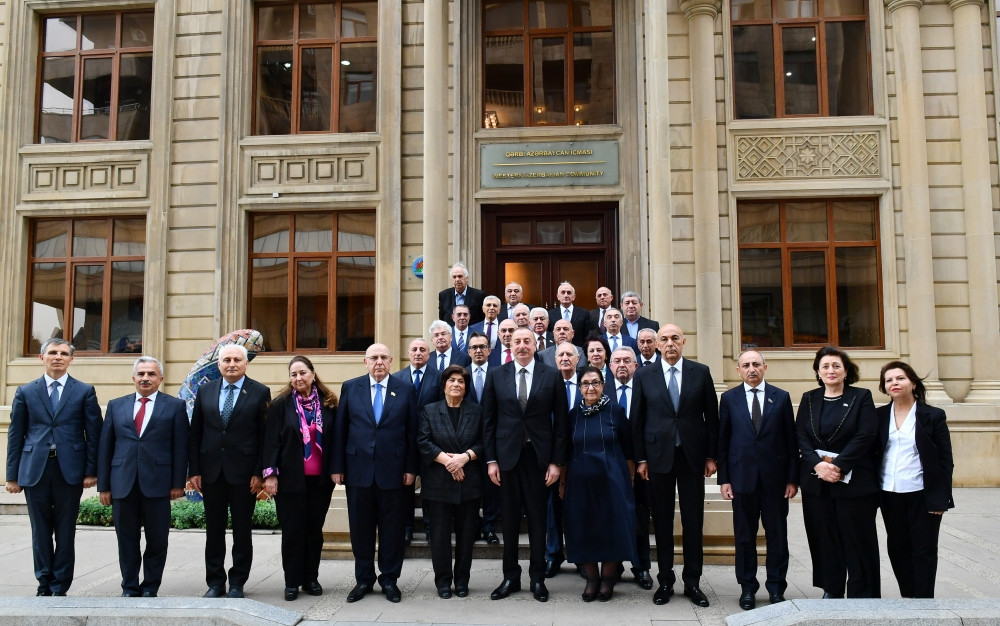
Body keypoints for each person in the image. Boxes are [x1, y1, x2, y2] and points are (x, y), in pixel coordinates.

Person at [5, 338, 103, 596]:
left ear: (71, 359)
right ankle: (43, 582)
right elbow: (16, 436)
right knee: (40, 531)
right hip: (34, 470)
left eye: (63, 353)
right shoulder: (25, 392)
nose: (57, 357)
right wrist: (11, 476)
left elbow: (94, 435)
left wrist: (92, 471)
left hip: (69, 470)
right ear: (42, 357)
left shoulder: (84, 391)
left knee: (65, 529)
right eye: (52, 353)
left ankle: (60, 585)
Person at [631, 324, 719, 607]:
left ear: (684, 342)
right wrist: (641, 459)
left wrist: (711, 456)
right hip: (658, 459)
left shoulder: (700, 372)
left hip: (692, 457)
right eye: (664, 339)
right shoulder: (644, 375)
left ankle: (692, 582)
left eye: (675, 339)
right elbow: (637, 420)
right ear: (657, 345)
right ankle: (665, 581)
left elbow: (712, 419)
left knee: (693, 521)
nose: (670, 343)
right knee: (664, 521)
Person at [483, 327, 570, 602]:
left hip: (538, 459)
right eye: (517, 341)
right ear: (510, 344)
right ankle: (510, 576)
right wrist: (491, 460)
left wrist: (556, 462)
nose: (522, 345)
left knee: (537, 520)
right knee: (508, 521)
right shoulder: (497, 374)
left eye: (527, 341)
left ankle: (537, 578)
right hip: (506, 459)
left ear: (535, 345)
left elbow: (562, 425)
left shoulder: (551, 375)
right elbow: (488, 421)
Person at [331, 344, 418, 604]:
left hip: (394, 471)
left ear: (391, 361)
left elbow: (412, 432)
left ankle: (389, 579)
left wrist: (411, 468)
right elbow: (340, 429)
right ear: (364, 361)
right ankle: (364, 579)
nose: (379, 362)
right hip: (358, 471)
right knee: (361, 529)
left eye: (383, 358)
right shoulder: (351, 387)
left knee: (392, 529)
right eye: (373, 358)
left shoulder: (405, 388)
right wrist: (337, 467)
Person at [97, 356, 188, 598]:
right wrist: (104, 486)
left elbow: (181, 447)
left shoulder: (175, 406)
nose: (145, 378)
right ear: (133, 378)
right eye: (141, 374)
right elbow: (105, 447)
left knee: (157, 541)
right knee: (126, 540)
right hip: (122, 483)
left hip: (158, 484)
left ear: (161, 378)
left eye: (151, 374)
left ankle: (150, 586)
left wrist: (178, 483)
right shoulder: (116, 405)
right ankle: (129, 586)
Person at [189, 343, 272, 598]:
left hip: (245, 474)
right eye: (226, 360)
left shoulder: (259, 392)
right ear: (219, 364)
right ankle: (215, 582)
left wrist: (260, 472)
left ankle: (237, 582)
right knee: (213, 530)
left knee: (241, 530)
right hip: (211, 472)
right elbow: (196, 433)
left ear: (246, 364)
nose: (232, 364)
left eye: (237, 359)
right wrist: (194, 471)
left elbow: (264, 437)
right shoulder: (205, 391)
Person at [796, 346, 880, 599]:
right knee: (824, 537)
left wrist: (839, 466)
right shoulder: (809, 398)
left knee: (857, 538)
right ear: (818, 373)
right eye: (825, 366)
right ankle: (831, 588)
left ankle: (861, 592)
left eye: (836, 366)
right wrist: (817, 465)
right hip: (817, 483)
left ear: (846, 371)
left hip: (853, 483)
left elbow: (866, 434)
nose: (830, 370)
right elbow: (800, 434)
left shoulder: (861, 397)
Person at [718, 350, 797, 610]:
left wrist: (792, 479)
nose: (751, 369)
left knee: (777, 537)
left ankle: (776, 588)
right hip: (741, 481)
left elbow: (790, 441)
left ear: (765, 367)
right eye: (745, 365)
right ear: (738, 370)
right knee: (744, 537)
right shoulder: (729, 399)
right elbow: (724, 442)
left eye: (756, 364)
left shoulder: (781, 397)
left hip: (775, 483)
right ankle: (747, 588)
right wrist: (724, 479)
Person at [876, 360, 954, 598]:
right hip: (889, 492)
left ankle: (924, 600)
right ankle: (908, 598)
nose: (894, 383)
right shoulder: (878, 416)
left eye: (900, 378)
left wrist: (941, 499)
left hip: (921, 492)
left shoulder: (933, 416)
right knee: (897, 548)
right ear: (884, 387)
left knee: (924, 549)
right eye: (889, 380)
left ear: (912, 383)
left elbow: (945, 460)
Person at [262, 356, 337, 601]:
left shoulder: (329, 404)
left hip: (320, 481)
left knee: (314, 531)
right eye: (293, 374)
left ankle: (310, 578)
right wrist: (270, 475)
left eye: (302, 373)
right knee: (293, 532)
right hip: (290, 480)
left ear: (313, 374)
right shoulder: (280, 405)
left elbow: (336, 441)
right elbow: (271, 441)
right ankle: (292, 581)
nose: (298, 378)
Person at [562, 366, 636, 602]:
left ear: (603, 385)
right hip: (579, 483)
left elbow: (629, 450)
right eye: (585, 383)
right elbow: (565, 451)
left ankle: (607, 580)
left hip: (612, 481)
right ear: (580, 387)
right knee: (583, 529)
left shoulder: (616, 411)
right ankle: (592, 579)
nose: (590, 388)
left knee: (611, 528)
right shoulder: (572, 415)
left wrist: (629, 480)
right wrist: (562, 483)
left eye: (595, 382)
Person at [417, 365, 485, 599]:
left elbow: (484, 442)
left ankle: (462, 581)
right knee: (439, 537)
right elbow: (423, 441)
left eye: (461, 381)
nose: (456, 384)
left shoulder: (477, 411)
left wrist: (465, 458)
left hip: (469, 483)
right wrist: (449, 462)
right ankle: (443, 582)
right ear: (444, 385)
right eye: (452, 380)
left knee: (467, 537)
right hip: (438, 483)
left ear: (466, 387)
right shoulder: (429, 410)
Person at [609, 346, 653, 590]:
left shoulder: (646, 391)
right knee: (613, 517)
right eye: (617, 361)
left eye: (627, 360)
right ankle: (614, 566)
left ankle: (641, 567)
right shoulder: (602, 392)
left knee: (639, 519)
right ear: (610, 366)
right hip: (611, 468)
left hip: (641, 467)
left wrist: (641, 460)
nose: (622, 364)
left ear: (636, 366)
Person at [392, 338, 443, 545]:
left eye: (423, 350)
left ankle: (431, 528)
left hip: (431, 441)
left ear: (429, 355)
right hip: (405, 442)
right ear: (408, 353)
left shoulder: (439, 377)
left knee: (430, 488)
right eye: (414, 349)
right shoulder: (396, 378)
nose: (418, 353)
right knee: (405, 488)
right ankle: (406, 528)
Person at [545, 341, 583, 578]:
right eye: (561, 354)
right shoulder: (547, 383)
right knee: (552, 508)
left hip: (582, 456)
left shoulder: (588, 383)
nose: (565, 358)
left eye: (570, 354)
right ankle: (553, 555)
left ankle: (580, 555)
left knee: (579, 509)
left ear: (578, 359)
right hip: (552, 457)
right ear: (555, 359)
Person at [464, 332, 500, 544]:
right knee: (469, 488)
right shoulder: (460, 375)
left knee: (491, 487)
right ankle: (472, 526)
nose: (478, 350)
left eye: (482, 347)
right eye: (474, 347)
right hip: (466, 442)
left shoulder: (499, 374)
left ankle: (489, 527)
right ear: (468, 351)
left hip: (493, 440)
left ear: (489, 351)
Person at [548, 282, 595, 347]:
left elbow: (588, 336)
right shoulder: (550, 314)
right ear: (558, 296)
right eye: (563, 292)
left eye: (569, 293)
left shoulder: (584, 314)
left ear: (574, 297)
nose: (566, 295)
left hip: (578, 352)